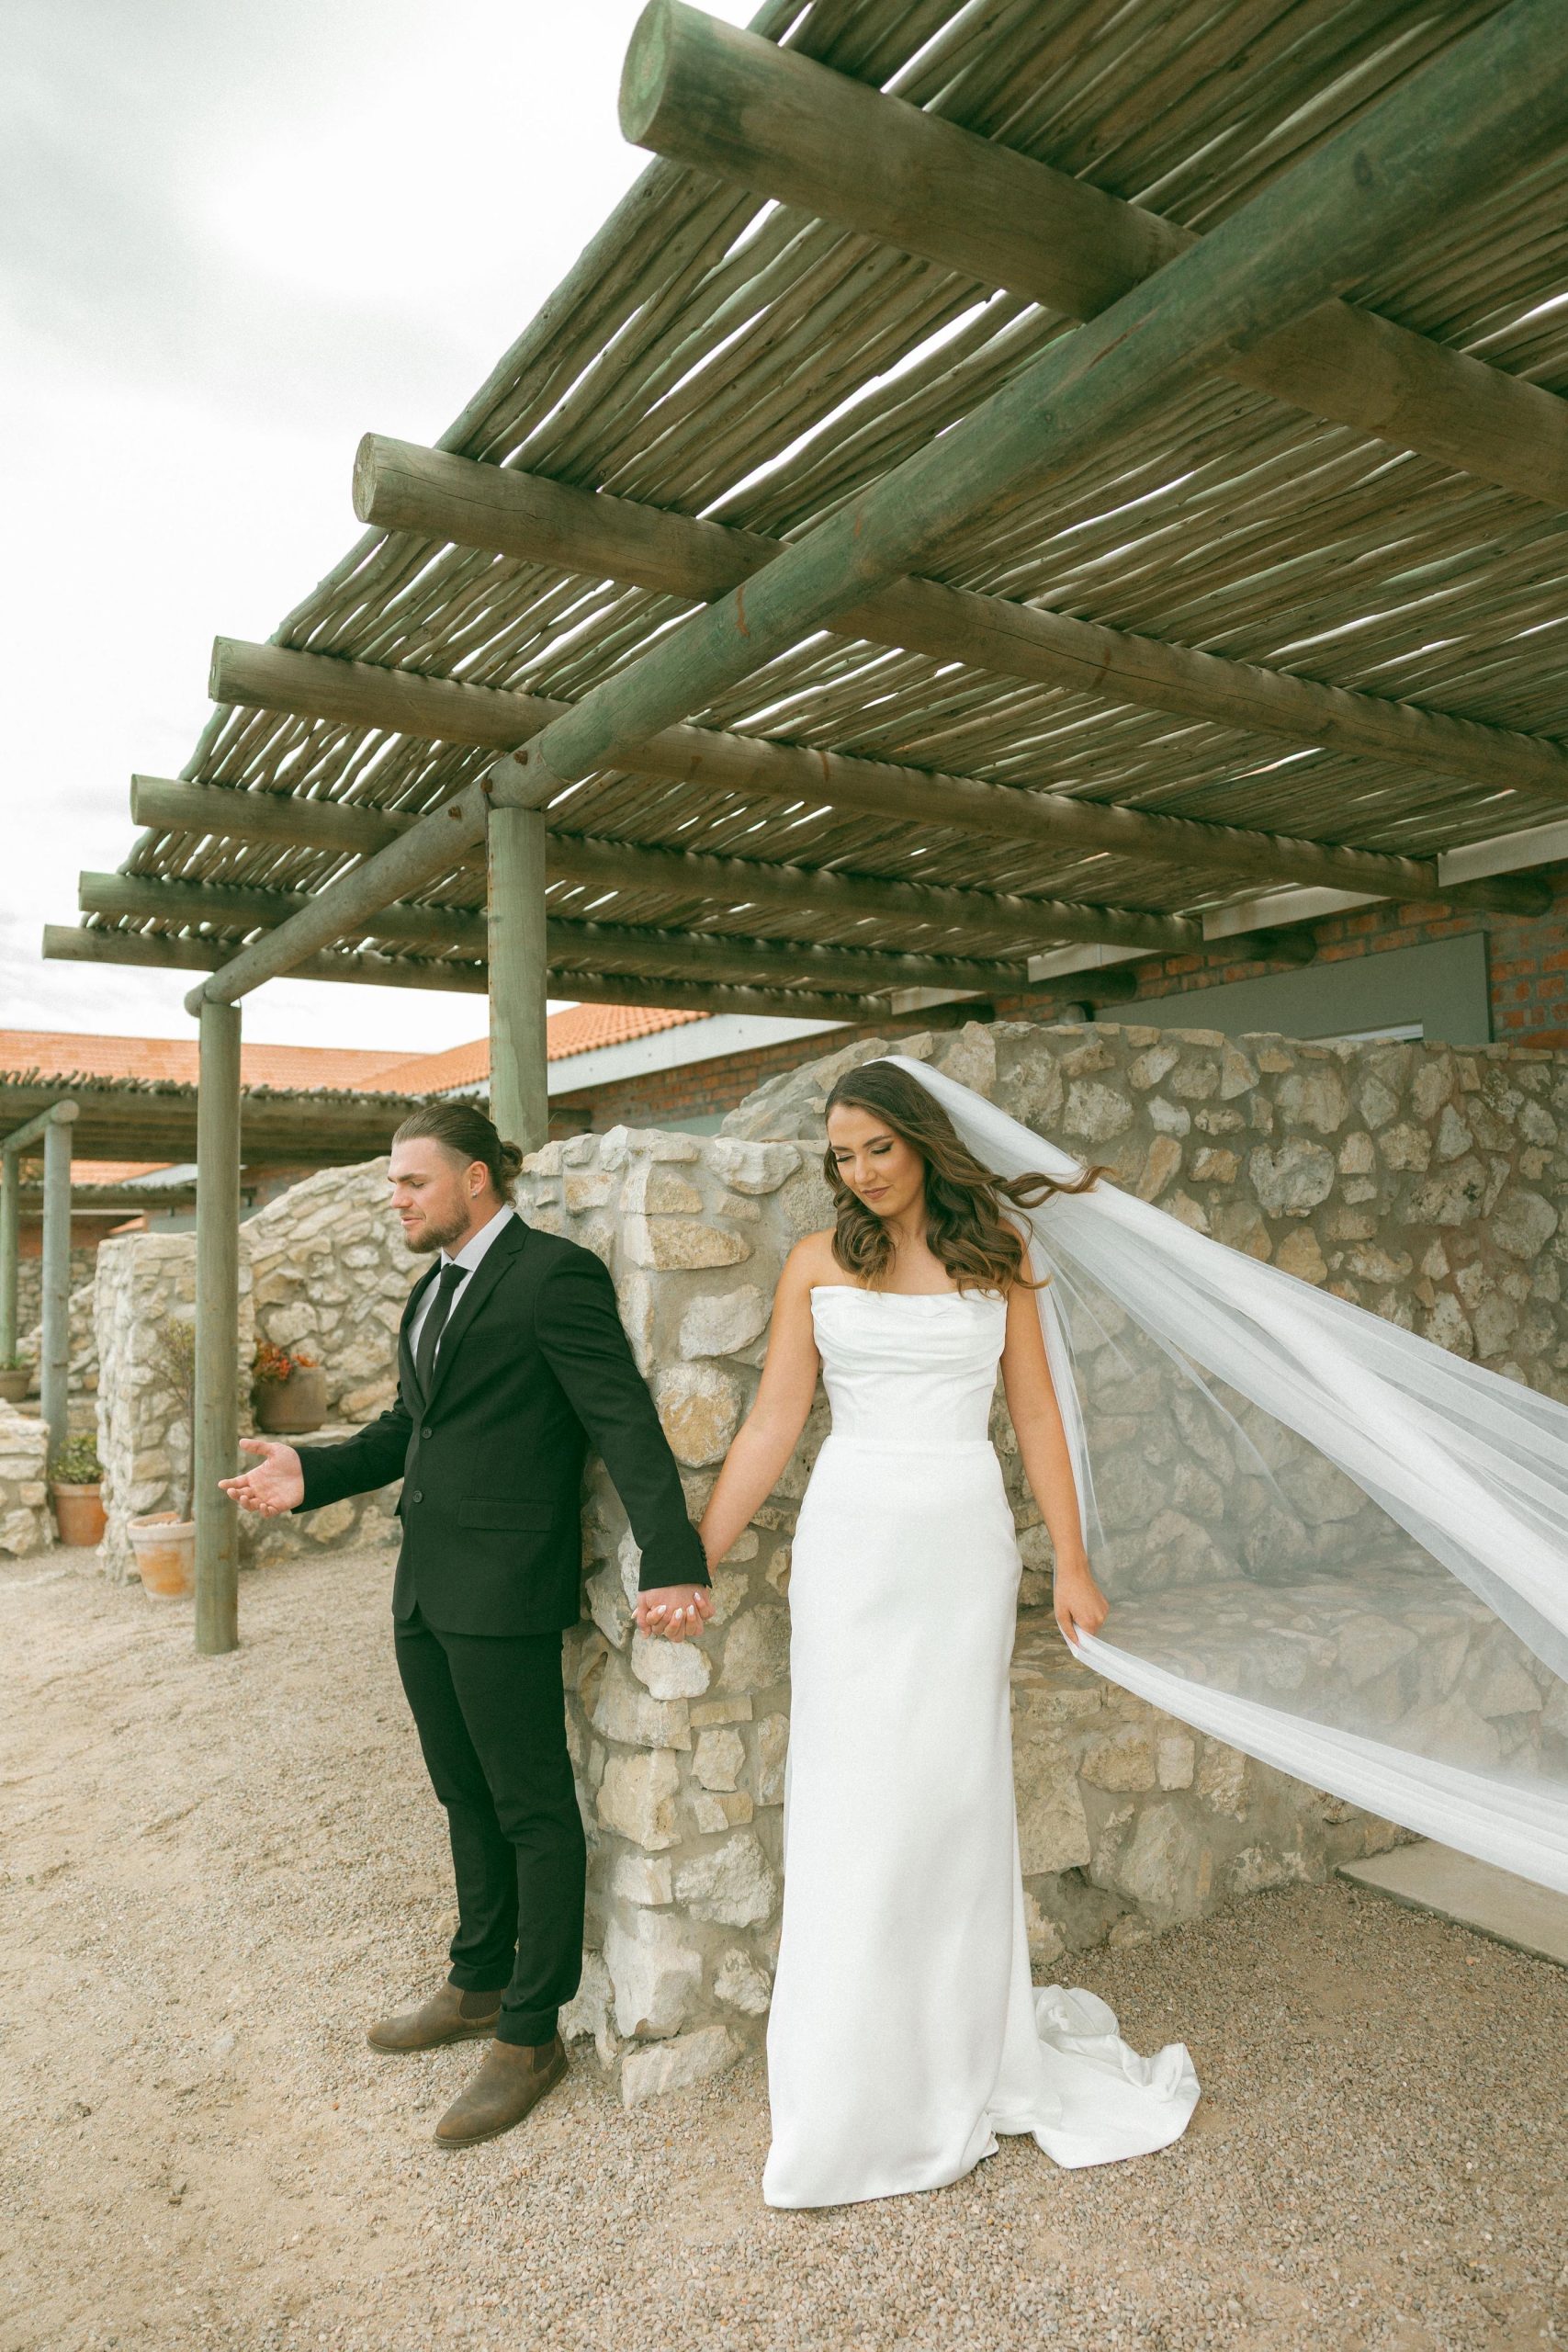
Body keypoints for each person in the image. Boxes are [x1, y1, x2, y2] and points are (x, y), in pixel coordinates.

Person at [639, 1057, 1200, 2207]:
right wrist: (688, 1553)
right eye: (841, 1157)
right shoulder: (815, 1263)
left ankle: (959, 2056)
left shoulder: (1002, 1258)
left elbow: (1036, 1415)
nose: (860, 1173)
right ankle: (853, 2085)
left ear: (919, 1140)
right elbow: (771, 1425)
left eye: (876, 1148)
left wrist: (1074, 1561)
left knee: (951, 1801)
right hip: (853, 1553)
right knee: (853, 1805)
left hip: (959, 1547)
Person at [222, 1102, 710, 2149]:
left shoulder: (552, 1278)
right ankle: (478, 1980)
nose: (394, 1198)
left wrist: (673, 1555)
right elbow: (412, 1427)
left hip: (506, 1588)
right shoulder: (428, 1290)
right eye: (393, 1183)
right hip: (425, 1588)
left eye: (412, 1182)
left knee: (532, 1806)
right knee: (462, 1792)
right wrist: (309, 1470)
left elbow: (619, 1415)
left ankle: (532, 2033)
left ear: (478, 1180)